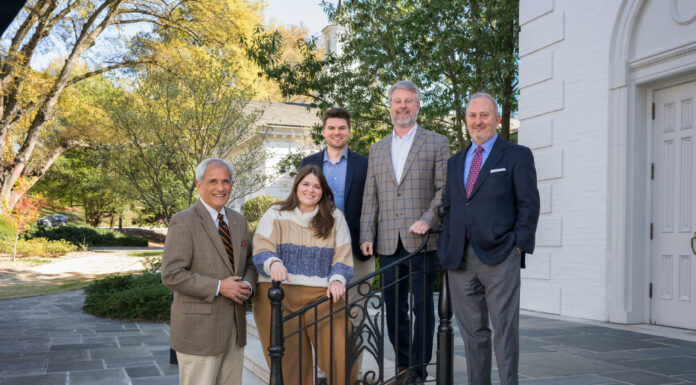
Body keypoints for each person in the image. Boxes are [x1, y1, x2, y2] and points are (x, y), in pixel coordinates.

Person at [437, 93, 540, 385]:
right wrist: (447, 241)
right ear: (466, 120)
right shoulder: (456, 161)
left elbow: (529, 205)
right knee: (472, 335)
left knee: (505, 332)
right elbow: (450, 206)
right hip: (460, 258)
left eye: (484, 115)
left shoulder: (517, 155)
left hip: (500, 256)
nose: (478, 121)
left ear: (497, 119)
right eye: (472, 115)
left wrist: (518, 245)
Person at [360, 80, 449, 384]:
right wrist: (366, 235)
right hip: (386, 240)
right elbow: (371, 196)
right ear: (390, 107)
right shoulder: (377, 149)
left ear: (418, 105)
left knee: (423, 307)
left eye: (408, 101)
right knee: (392, 306)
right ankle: (402, 365)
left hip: (423, 239)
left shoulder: (436, 142)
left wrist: (428, 218)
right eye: (397, 101)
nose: (402, 106)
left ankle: (419, 370)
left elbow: (444, 189)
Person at [252, 165, 356, 385]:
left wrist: (337, 280)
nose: (310, 190)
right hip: (277, 294)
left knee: (341, 350)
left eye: (316, 186)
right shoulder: (276, 212)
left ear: (323, 191)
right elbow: (261, 249)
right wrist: (274, 263)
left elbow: (343, 256)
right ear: (296, 186)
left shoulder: (335, 217)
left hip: (322, 295)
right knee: (290, 364)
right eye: (305, 184)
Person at [161, 158, 257, 385]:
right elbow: (172, 273)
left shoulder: (239, 221)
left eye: (226, 181)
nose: (220, 188)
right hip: (198, 333)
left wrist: (248, 285)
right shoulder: (183, 222)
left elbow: (250, 264)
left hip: (234, 332)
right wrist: (220, 286)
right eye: (213, 181)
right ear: (198, 185)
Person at [300, 108, 372, 378]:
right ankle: (325, 374)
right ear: (324, 131)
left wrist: (369, 236)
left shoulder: (364, 164)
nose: (337, 132)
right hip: (318, 251)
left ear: (349, 131)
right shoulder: (309, 162)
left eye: (342, 128)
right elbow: (301, 204)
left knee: (355, 316)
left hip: (356, 251)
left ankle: (352, 375)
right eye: (331, 128)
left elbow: (372, 205)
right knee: (321, 317)